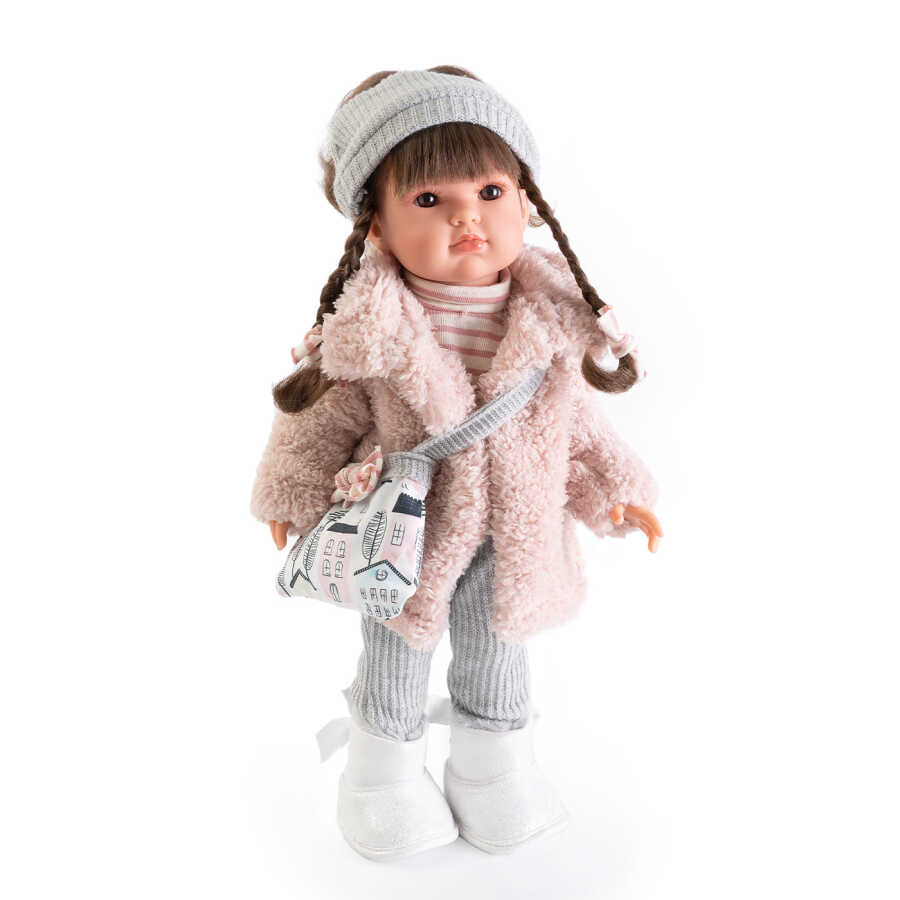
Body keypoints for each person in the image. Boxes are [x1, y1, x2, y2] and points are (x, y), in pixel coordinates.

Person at [250, 66, 663, 860]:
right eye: (430, 199)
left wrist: (615, 491)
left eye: (490, 191)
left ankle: (494, 768)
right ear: (376, 227)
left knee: (500, 646)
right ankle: (380, 775)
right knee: (397, 648)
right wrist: (293, 494)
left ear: (526, 200)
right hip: (404, 530)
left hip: (513, 526)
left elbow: (574, 426)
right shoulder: (373, 328)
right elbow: (321, 416)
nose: (467, 216)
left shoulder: (547, 319)